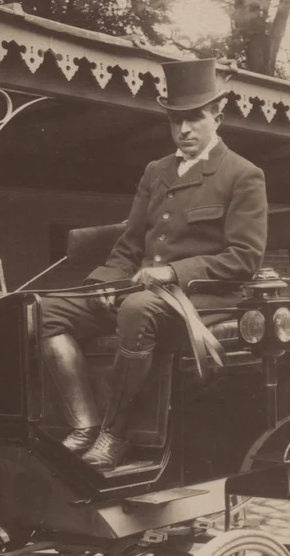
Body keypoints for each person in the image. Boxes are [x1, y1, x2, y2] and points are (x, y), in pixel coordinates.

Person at [40, 57, 268, 471]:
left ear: (218, 114)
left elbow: (245, 258)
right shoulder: (156, 171)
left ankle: (117, 434)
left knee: (136, 309)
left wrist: (174, 272)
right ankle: (84, 424)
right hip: (143, 293)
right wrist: (105, 281)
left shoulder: (242, 175)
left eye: (194, 118)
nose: (183, 130)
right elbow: (130, 244)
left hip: (205, 297)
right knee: (44, 311)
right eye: (175, 120)